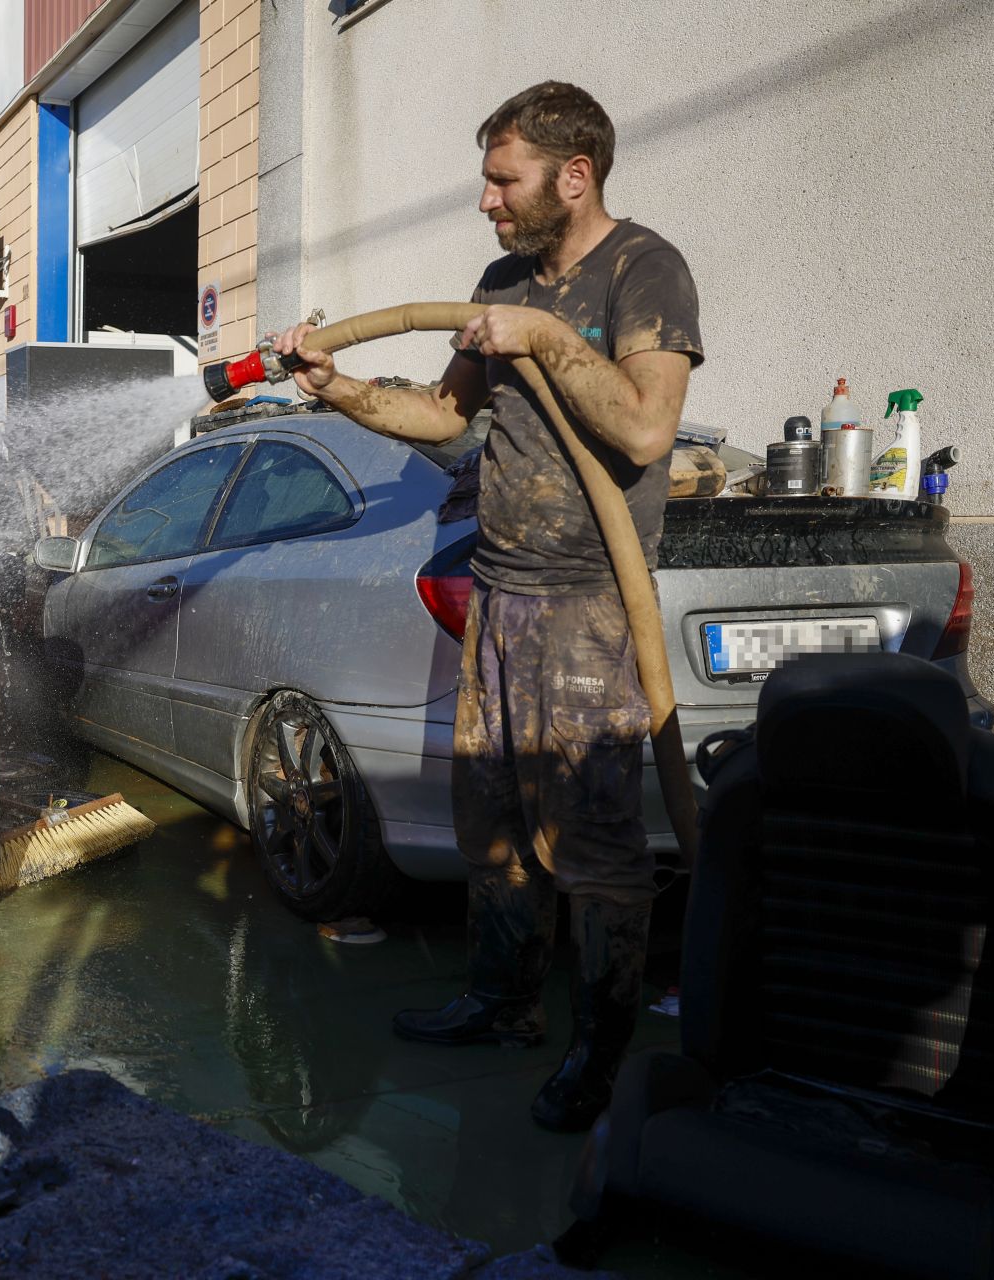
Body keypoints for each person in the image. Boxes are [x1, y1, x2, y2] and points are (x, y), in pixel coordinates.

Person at [271, 81, 702, 1131]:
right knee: (493, 829)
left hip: (595, 603)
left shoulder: (645, 269)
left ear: (575, 173)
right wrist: (338, 389)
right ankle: (504, 1002)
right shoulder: (502, 279)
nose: (487, 202)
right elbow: (443, 414)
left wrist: (548, 340)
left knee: (593, 850)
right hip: (500, 595)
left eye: (503, 180)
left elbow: (646, 432)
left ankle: (599, 1045)